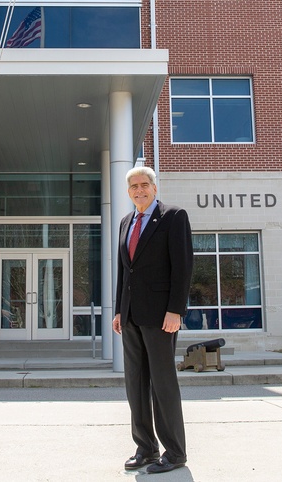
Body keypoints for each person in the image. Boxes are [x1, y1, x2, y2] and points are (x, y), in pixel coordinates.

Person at [112, 166, 193, 474]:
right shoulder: (125, 222)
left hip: (161, 316)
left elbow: (183, 267)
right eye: (134, 186)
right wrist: (120, 310)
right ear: (129, 191)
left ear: (154, 189)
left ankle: (175, 451)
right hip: (131, 315)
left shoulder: (173, 216)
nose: (139, 190)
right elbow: (125, 271)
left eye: (145, 185)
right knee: (135, 383)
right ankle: (146, 448)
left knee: (162, 383)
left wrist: (176, 310)